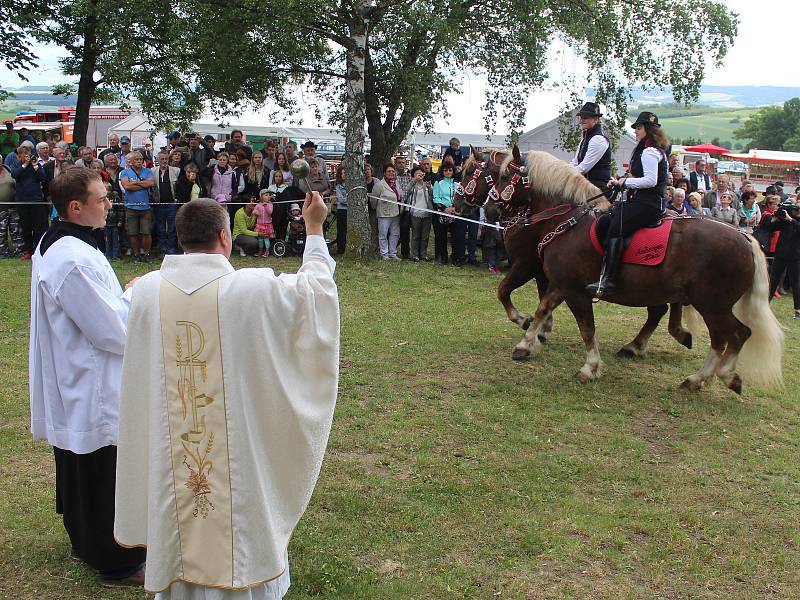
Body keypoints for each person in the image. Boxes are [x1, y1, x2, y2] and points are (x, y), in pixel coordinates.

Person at [114, 194, 337, 598]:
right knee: (238, 512)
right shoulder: (251, 288)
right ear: (224, 236)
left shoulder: (146, 291)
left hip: (179, 448)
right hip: (236, 456)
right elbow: (316, 292)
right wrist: (315, 229)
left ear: (180, 238)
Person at [28, 166, 146, 587]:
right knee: (98, 467)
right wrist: (135, 292)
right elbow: (113, 330)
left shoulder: (61, 243)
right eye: (101, 199)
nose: (109, 203)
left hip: (76, 372)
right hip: (90, 377)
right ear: (75, 207)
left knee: (82, 462)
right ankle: (116, 560)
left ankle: (85, 539)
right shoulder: (71, 259)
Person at [587, 111, 668, 298]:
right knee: (607, 220)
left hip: (649, 203)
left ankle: (609, 279)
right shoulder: (649, 150)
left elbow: (650, 181)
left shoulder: (649, 151)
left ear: (647, 130)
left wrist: (625, 183)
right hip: (644, 201)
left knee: (616, 227)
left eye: (639, 128)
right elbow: (639, 177)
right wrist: (620, 180)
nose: (636, 131)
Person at [762, 201, 800, 317]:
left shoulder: (793, 221)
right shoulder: (786, 220)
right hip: (781, 254)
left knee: (796, 282)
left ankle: (798, 310)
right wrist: (774, 218)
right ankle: (764, 305)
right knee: (773, 279)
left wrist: (791, 220)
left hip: (796, 256)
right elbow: (768, 228)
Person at [11, 144, 48, 260]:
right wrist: (25, 165)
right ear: (20, 156)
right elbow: (15, 175)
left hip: (36, 200)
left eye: (28, 155)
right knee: (25, 227)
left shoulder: (36, 164)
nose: (27, 157)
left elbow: (43, 178)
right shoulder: (17, 165)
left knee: (38, 227)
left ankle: (38, 250)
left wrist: (35, 166)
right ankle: (28, 250)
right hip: (22, 201)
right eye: (24, 155)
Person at [119, 150, 155, 262]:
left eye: (141, 159)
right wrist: (142, 184)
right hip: (131, 207)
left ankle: (147, 254)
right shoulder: (125, 172)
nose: (139, 161)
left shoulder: (148, 171)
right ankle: (136, 254)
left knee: (146, 233)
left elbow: (151, 183)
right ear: (131, 162)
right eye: (136, 159)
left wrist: (134, 183)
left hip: (145, 207)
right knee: (132, 233)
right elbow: (127, 187)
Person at [569, 101, 611, 192]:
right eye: (581, 117)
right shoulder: (584, 139)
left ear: (596, 119)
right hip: (585, 185)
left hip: (597, 188)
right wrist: (563, 170)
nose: (582, 120)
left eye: (586, 117)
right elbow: (575, 162)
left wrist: (564, 175)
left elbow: (583, 168)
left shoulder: (598, 139)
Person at [152, 151, 181, 254]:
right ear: (158, 160)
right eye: (162, 159)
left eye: (166, 159)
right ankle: (162, 249)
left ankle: (171, 249)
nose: (164, 161)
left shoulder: (176, 171)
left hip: (171, 204)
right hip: (158, 204)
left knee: (172, 228)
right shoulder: (152, 171)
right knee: (160, 228)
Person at [373, 163, 402, 260]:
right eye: (389, 171)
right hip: (384, 214)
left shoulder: (396, 183)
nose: (391, 173)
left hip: (395, 213)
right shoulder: (379, 185)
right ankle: (384, 253)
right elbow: (373, 200)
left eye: (393, 171)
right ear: (384, 173)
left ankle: (392, 253)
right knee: (383, 234)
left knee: (395, 234)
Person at [432, 160, 458, 265]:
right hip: (442, 212)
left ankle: (455, 257)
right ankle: (442, 257)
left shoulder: (457, 184)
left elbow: (459, 197)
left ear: (453, 171)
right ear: (442, 171)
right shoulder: (439, 183)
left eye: (450, 170)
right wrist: (444, 209)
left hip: (455, 212)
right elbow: (436, 198)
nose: (448, 172)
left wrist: (454, 208)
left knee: (456, 236)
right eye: (445, 170)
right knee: (441, 236)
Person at [406, 165, 433, 261]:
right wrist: (414, 180)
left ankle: (423, 254)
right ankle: (415, 254)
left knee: (425, 236)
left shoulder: (427, 184)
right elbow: (406, 191)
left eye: (421, 173)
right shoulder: (412, 185)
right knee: (415, 235)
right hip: (415, 213)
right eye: (417, 174)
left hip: (427, 213)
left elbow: (431, 195)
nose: (420, 175)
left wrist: (430, 188)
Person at [0, 162, 24, 257]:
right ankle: (3, 253)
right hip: (0, 208)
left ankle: (18, 252)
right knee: (1, 233)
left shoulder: (9, 171)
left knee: (16, 231)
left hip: (13, 207)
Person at [253, 189, 274, 257]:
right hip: (260, 225)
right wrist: (256, 212)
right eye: (266, 195)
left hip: (267, 225)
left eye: (269, 195)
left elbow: (270, 212)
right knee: (260, 239)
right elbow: (254, 211)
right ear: (261, 197)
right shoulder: (258, 205)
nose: (268, 196)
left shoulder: (270, 204)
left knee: (266, 239)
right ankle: (260, 251)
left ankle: (267, 251)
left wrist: (266, 206)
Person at [334, 164, 347, 256]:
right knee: (341, 230)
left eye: (345, 173)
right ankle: (341, 249)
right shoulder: (338, 186)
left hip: (350, 211)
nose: (344, 175)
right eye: (342, 173)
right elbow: (341, 199)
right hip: (342, 210)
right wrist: (349, 201)